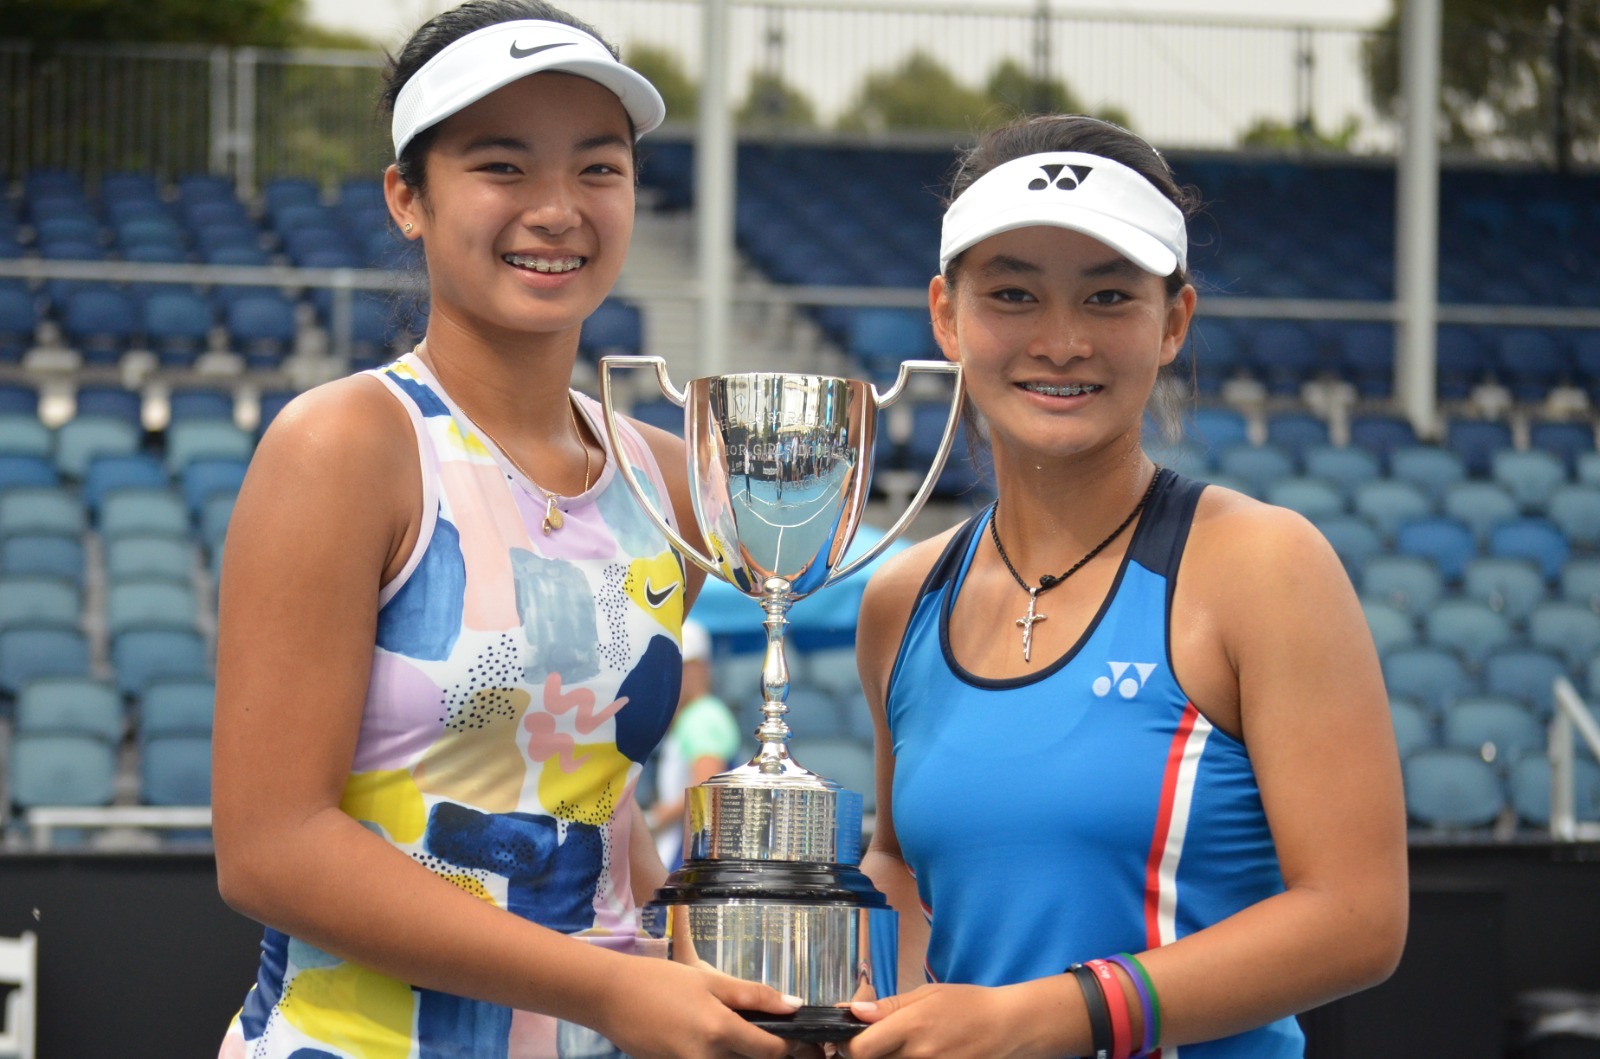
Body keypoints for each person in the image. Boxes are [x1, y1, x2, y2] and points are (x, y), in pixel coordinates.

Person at [210, 3, 807, 1056]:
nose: (557, 210)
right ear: (408, 197)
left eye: (597, 168)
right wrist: (609, 990)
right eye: (502, 166)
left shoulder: (669, 479)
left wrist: (709, 978)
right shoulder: (347, 445)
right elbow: (269, 849)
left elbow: (594, 804)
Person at [843, 115, 1408, 1058]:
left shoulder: (1264, 566)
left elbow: (1358, 915)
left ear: (1174, 320)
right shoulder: (902, 599)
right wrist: (862, 1002)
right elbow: (900, 863)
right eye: (1013, 293)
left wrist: (1048, 1016)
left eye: (1108, 297)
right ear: (946, 314)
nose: (1061, 342)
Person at [647, 619, 742, 870]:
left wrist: (655, 819)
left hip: (686, 861)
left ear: (702, 668)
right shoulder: (696, 716)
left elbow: (706, 787)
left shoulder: (702, 715)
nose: (672, 675)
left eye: (682, 666)